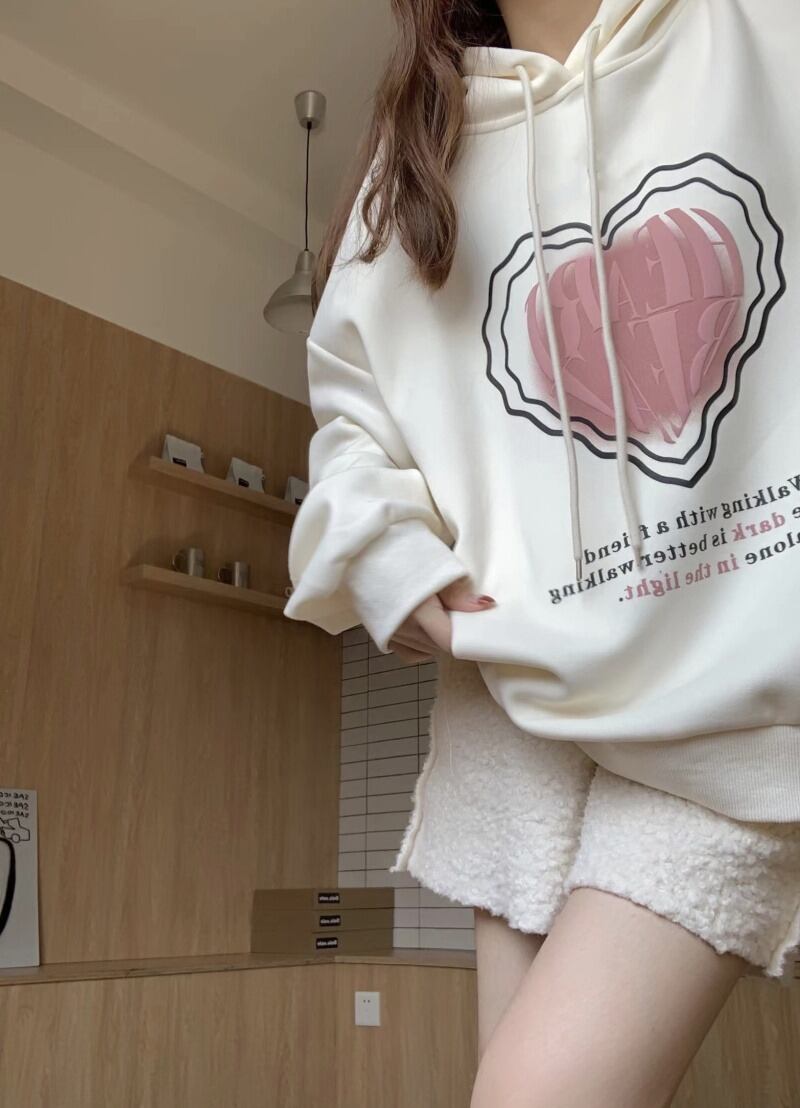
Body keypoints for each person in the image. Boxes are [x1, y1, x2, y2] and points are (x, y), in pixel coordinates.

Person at [284, 1, 800, 1104]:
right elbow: (351, 411)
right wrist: (386, 554)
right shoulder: (419, 144)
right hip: (511, 707)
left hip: (734, 711)